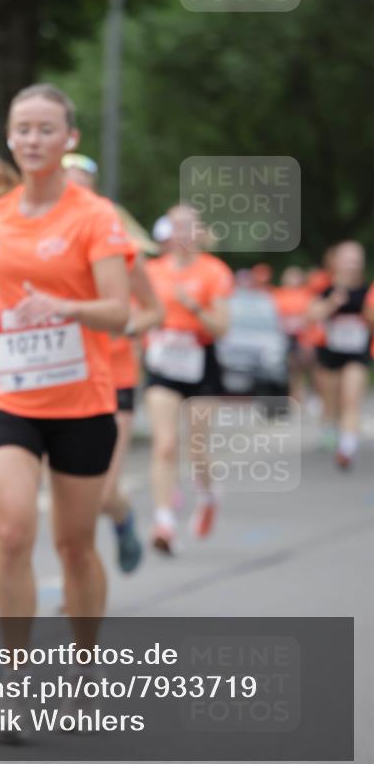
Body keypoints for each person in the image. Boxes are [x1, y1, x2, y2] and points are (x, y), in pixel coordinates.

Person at [0, 84, 131, 721]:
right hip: (8, 391)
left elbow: (119, 312)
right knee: (11, 531)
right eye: (22, 129)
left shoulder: (95, 216)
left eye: (45, 129)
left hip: (81, 397)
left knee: (75, 545)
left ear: (69, 139)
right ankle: (15, 679)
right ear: (11, 136)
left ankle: (86, 668)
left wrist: (67, 307)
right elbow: (3, 297)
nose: (32, 140)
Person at [62, 152, 163, 573]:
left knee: (102, 493)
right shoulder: (41, 247)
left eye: (80, 187)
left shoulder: (119, 248)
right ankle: (76, 581)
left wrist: (123, 324)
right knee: (67, 495)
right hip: (60, 379)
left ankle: (122, 518)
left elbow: (154, 311)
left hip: (111, 378)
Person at [143, 205, 233, 555]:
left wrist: (194, 307)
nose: (182, 233)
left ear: (199, 232)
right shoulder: (151, 271)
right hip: (163, 362)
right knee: (165, 444)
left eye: (189, 226)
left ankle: (208, 495)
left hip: (201, 362)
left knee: (197, 448)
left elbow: (222, 327)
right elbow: (139, 312)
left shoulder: (214, 272)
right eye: (176, 226)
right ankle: (164, 521)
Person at [306, 241, 372, 468]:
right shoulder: (325, 288)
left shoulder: (367, 291)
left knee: (351, 399)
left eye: (356, 260)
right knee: (332, 402)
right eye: (347, 259)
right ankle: (330, 427)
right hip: (330, 352)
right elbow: (311, 315)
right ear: (336, 261)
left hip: (357, 353)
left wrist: (367, 313)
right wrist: (332, 303)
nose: (352, 264)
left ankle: (347, 448)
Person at [272, 266, 314, 405]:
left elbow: (311, 315)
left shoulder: (306, 294)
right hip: (283, 336)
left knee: (302, 368)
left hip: (302, 337)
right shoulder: (277, 294)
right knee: (289, 369)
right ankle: (291, 398)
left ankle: (303, 396)